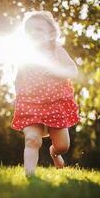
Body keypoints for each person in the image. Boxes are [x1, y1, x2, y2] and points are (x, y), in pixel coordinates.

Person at [10, 10, 81, 178]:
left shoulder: (58, 52)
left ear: (51, 34)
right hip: (30, 104)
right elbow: (18, 79)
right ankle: (30, 176)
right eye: (29, 31)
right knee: (32, 139)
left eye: (39, 29)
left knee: (63, 145)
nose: (33, 33)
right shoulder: (25, 55)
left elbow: (73, 71)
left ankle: (54, 153)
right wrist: (17, 96)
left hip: (55, 104)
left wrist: (58, 72)